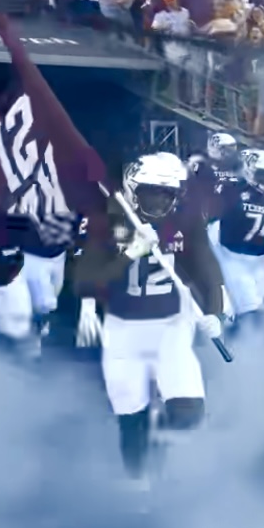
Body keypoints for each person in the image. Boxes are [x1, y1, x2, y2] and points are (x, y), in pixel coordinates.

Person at [73, 152, 225, 487]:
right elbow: (85, 281)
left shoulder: (184, 220)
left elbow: (208, 270)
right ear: (132, 188)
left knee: (189, 413)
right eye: (150, 192)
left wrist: (215, 311)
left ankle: (162, 455)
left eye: (166, 193)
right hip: (123, 330)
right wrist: (130, 253)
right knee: (132, 420)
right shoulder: (108, 220)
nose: (158, 201)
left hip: (171, 327)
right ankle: (137, 485)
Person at [214, 149, 264, 335]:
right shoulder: (232, 192)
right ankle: (238, 353)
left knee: (263, 312)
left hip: (261, 261)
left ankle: (235, 336)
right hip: (234, 258)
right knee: (251, 313)